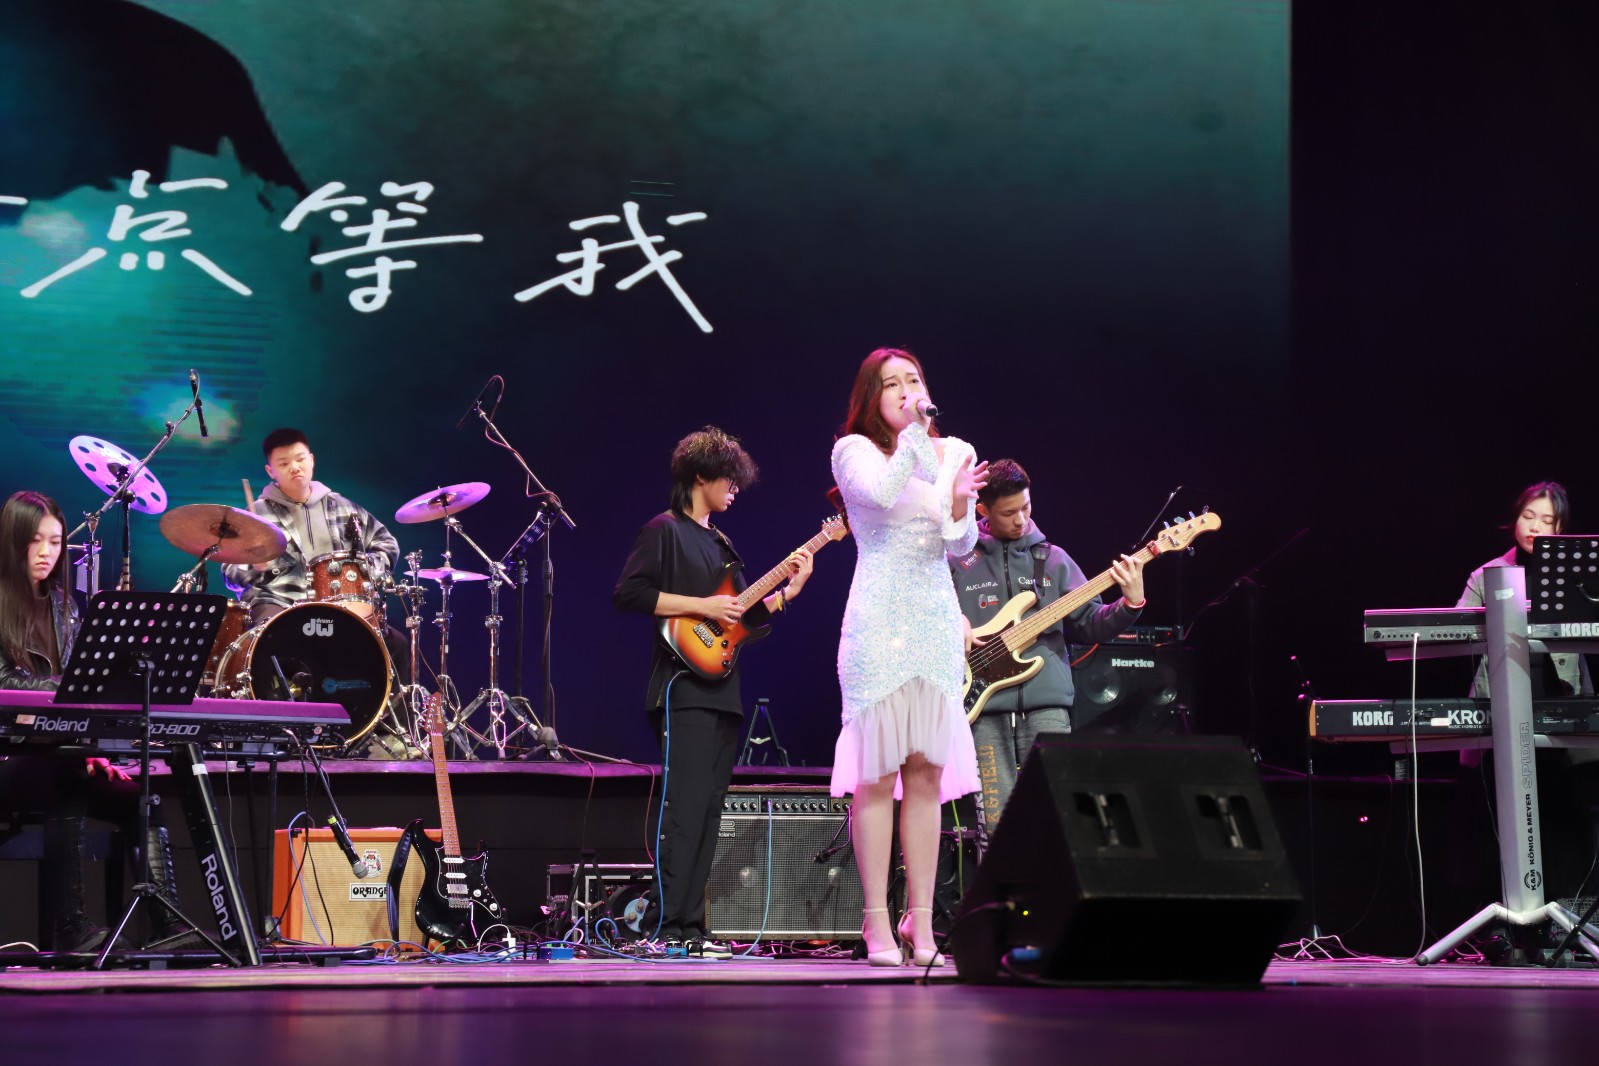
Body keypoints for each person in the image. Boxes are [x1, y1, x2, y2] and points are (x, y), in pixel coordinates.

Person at [613, 427, 813, 957]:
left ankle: (691, 929)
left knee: (708, 814)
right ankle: (665, 926)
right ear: (701, 476)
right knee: (684, 810)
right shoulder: (664, 530)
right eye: (729, 478)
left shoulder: (723, 544)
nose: (736, 489)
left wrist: (788, 592)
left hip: (725, 692)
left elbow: (740, 621)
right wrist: (700, 606)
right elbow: (629, 594)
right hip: (682, 688)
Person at [830, 347, 988, 967]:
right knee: (876, 775)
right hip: (878, 621)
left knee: (925, 774)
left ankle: (920, 922)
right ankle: (875, 919)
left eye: (913, 379)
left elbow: (961, 544)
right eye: (890, 383)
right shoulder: (854, 452)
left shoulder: (956, 451)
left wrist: (960, 503)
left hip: (934, 619)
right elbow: (880, 492)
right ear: (871, 397)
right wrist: (918, 440)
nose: (905, 390)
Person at [0, 490, 193, 951]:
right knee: (65, 777)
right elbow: (8, 683)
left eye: (55, 541)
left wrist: (92, 750)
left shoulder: (65, 606)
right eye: (35, 541)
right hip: (11, 758)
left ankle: (167, 925)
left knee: (141, 797)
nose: (47, 552)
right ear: (12, 541)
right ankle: (71, 926)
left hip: (59, 755)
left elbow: (82, 692)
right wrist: (67, 694)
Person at [949, 459, 1145, 847]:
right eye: (1009, 513)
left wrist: (1130, 604)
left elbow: (1091, 624)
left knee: (1056, 816)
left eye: (1026, 507)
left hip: (1047, 707)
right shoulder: (956, 560)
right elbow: (922, 613)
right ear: (982, 510)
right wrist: (951, 620)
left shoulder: (1054, 559)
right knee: (995, 827)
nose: (1021, 519)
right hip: (980, 708)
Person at [221, 427, 408, 673]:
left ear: (311, 460)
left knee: (397, 645)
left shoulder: (343, 507)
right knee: (269, 639)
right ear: (270, 471)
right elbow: (230, 573)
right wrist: (255, 567)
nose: (295, 467)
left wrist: (364, 570)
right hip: (278, 603)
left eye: (300, 459)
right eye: (284, 463)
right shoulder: (257, 515)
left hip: (339, 607)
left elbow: (386, 543)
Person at [1455, 480, 1590, 697]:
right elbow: (1457, 629)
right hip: (1499, 692)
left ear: (1559, 528)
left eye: (1547, 521)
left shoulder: (1574, 576)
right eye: (1527, 516)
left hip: (1561, 689)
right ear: (1516, 518)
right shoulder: (1484, 575)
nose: (1534, 526)